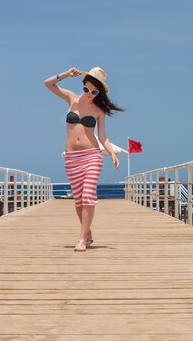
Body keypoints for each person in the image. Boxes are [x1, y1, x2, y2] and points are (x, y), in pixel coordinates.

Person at [44, 66, 124, 251]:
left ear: (99, 92)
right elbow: (48, 84)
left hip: (92, 156)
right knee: (79, 200)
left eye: (94, 91)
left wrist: (111, 152)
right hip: (72, 158)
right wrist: (65, 74)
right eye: (87, 89)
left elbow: (103, 136)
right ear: (83, 86)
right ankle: (87, 233)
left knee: (88, 195)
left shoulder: (99, 110)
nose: (89, 93)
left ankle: (81, 239)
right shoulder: (71, 98)